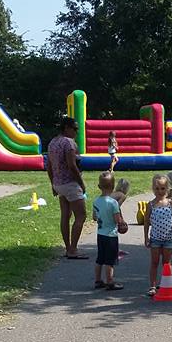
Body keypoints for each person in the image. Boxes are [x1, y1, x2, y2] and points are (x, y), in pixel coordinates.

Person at [47, 116, 88, 259]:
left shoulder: (52, 142)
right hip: (70, 184)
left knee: (65, 215)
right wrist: (81, 183)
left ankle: (68, 247)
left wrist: (53, 183)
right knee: (81, 215)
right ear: (66, 128)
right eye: (75, 129)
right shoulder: (69, 143)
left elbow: (49, 166)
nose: (76, 132)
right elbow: (72, 165)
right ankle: (73, 250)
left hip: (58, 184)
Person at [144, 173, 172, 296]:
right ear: (153, 189)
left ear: (167, 188)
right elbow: (146, 221)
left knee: (166, 263)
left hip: (168, 238)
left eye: (163, 188)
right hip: (155, 238)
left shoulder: (171, 203)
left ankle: (166, 283)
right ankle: (152, 286)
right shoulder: (151, 204)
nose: (160, 191)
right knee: (154, 262)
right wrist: (146, 237)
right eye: (157, 188)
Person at [92, 172, 124, 290]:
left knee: (100, 258)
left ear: (99, 186)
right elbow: (117, 219)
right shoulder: (113, 203)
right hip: (111, 235)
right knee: (110, 260)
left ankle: (97, 280)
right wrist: (122, 223)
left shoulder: (96, 201)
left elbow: (94, 217)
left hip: (100, 234)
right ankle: (110, 281)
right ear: (113, 186)